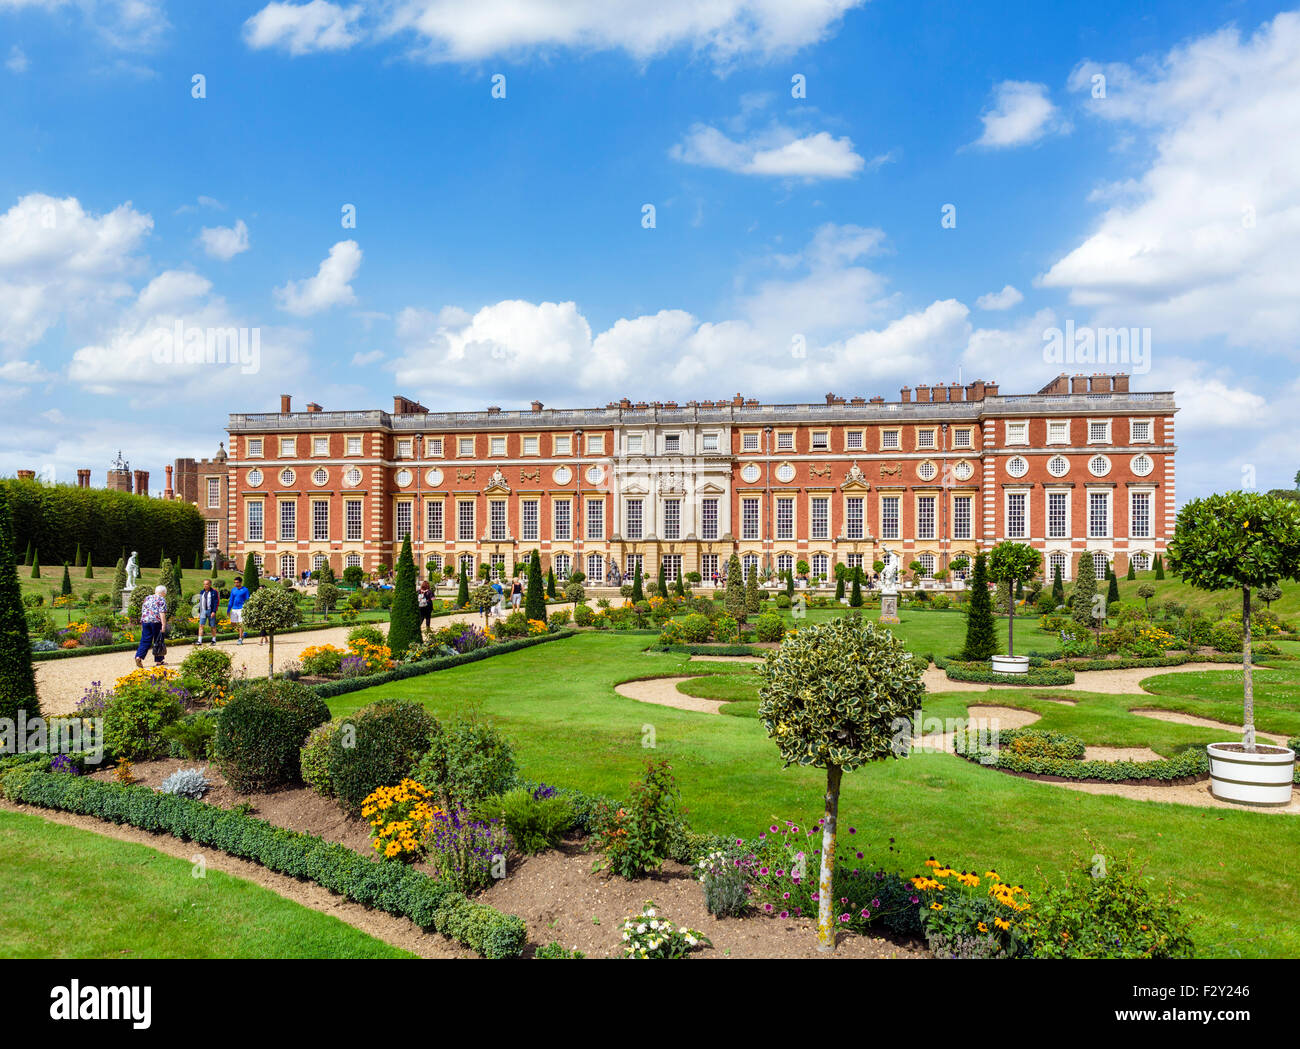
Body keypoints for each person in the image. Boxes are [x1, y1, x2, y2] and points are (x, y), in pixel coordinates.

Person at [135, 584, 168, 668]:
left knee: (145, 640)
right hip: (156, 622)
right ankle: (159, 660)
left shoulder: (148, 598)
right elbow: (162, 613)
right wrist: (163, 625)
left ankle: (139, 656)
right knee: (158, 640)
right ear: (163, 593)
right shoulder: (161, 599)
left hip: (145, 621)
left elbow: (143, 610)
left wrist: (142, 621)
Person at [227, 575, 250, 645]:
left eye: (237, 582)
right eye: (235, 582)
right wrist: (228, 610)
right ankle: (242, 633)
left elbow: (247, 599)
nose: (236, 584)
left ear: (240, 582)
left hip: (241, 608)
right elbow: (231, 600)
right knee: (233, 624)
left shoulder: (245, 590)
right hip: (234, 608)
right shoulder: (233, 590)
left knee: (240, 624)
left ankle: (240, 639)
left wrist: (247, 608)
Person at [196, 579, 219, 645]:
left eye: (206, 584)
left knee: (212, 626)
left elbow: (216, 602)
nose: (205, 585)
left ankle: (213, 640)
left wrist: (214, 611)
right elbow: (200, 602)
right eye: (204, 584)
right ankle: (199, 641)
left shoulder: (214, 592)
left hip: (210, 611)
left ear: (210, 584)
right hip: (203, 611)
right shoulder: (202, 592)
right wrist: (199, 612)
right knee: (201, 625)